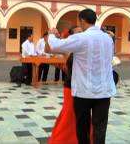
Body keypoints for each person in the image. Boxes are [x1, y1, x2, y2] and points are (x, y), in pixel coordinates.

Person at [48, 9, 116, 144]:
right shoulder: (108, 39)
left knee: (82, 128)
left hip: (84, 92)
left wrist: (51, 35)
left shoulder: (82, 37)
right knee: (100, 128)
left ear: (82, 20)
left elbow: (55, 46)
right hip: (104, 91)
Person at [47, 26, 94, 144]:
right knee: (69, 113)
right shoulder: (68, 50)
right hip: (71, 88)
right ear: (71, 36)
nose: (81, 34)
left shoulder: (87, 48)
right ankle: (62, 140)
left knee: (84, 114)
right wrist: (50, 36)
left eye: (82, 32)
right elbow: (48, 50)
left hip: (84, 87)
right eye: (77, 32)